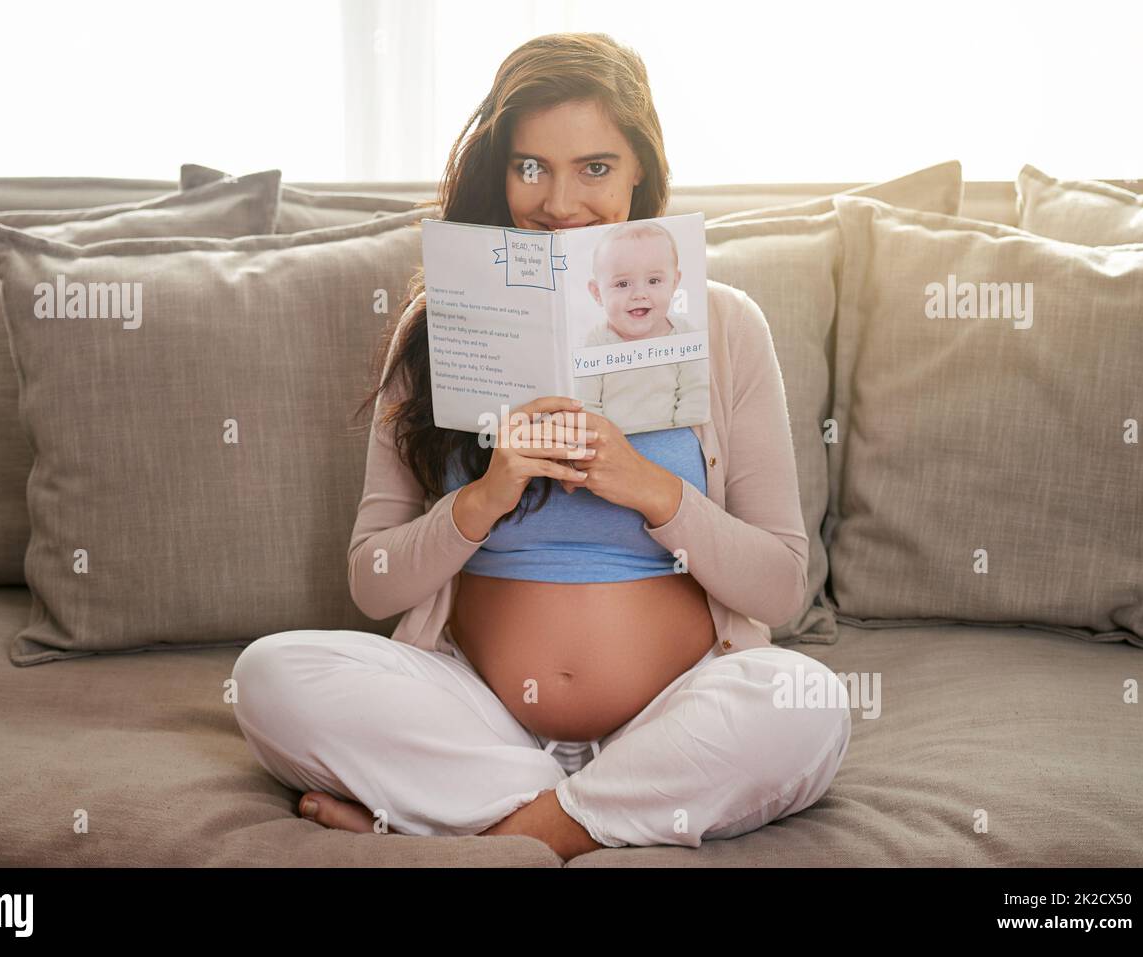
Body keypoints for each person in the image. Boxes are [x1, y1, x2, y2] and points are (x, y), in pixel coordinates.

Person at [230, 31, 851, 863]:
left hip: (673, 711)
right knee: (271, 675)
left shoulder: (728, 325)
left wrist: (648, 488)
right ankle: (591, 816)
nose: (560, 202)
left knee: (805, 701)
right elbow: (372, 582)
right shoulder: (434, 328)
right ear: (502, 171)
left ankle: (502, 829)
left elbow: (777, 587)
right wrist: (483, 498)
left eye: (595, 166)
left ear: (641, 171)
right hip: (477, 714)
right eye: (532, 167)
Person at [576, 219, 711, 431]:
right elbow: (586, 402)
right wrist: (604, 442)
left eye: (654, 281)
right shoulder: (597, 341)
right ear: (597, 293)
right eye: (622, 284)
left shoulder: (682, 334)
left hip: (674, 437)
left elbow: (696, 392)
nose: (639, 294)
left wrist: (682, 435)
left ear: (674, 283)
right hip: (612, 445)